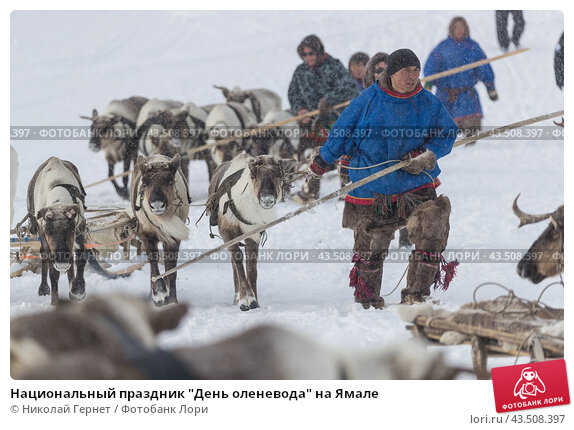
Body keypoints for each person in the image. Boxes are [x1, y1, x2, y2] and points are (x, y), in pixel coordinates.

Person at [306, 49, 457, 309]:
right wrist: (322, 161)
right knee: (370, 247)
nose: (412, 77)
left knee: (434, 225)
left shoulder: (427, 101)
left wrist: (426, 154)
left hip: (415, 183)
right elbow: (342, 132)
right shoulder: (367, 100)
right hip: (373, 186)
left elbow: (447, 133)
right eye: (405, 72)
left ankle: (417, 295)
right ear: (391, 74)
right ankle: (367, 298)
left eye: (415, 71)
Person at [288, 34, 361, 204]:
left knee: (341, 150)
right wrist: (300, 110)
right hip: (311, 123)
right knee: (308, 153)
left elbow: (350, 88)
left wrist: (329, 99)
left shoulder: (334, 66)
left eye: (311, 53)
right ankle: (309, 191)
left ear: (319, 51)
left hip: (335, 119)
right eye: (304, 54)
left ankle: (348, 189)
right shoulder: (300, 72)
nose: (308, 57)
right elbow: (293, 94)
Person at [424, 16, 498, 144]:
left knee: (471, 127)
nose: (459, 30)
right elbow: (431, 65)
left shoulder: (472, 47)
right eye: (456, 27)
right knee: (443, 128)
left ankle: (471, 149)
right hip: (445, 95)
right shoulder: (443, 47)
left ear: (466, 29)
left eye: (462, 28)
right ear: (451, 29)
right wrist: (429, 83)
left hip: (466, 94)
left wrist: (490, 87)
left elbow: (484, 67)